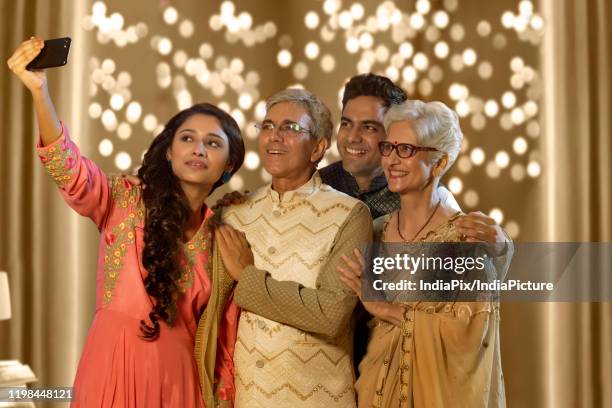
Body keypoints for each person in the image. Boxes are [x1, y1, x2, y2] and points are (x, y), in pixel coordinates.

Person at [7, 37, 245, 407]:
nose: (198, 149)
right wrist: (40, 92)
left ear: (229, 165)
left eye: (213, 144)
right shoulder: (125, 199)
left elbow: (225, 343)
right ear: (169, 151)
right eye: (187, 138)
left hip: (181, 385)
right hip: (110, 370)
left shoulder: (223, 239)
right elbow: (66, 167)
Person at [338, 100, 507, 407]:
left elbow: (470, 332)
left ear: (439, 163)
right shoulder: (374, 231)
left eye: (406, 150)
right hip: (372, 390)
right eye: (389, 147)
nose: (391, 160)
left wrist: (384, 309)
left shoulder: (463, 241)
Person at [213, 88, 372, 407]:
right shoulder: (235, 213)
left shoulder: (349, 214)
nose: (274, 136)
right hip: (247, 398)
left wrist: (248, 277)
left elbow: (331, 314)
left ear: (317, 147)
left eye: (289, 128)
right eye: (268, 126)